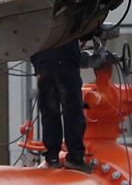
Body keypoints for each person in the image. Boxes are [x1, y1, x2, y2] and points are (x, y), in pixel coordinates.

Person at [29, 38, 89, 171]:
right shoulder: (66, 20)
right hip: (65, 58)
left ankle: (52, 158)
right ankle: (75, 157)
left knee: (50, 110)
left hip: (43, 62)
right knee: (72, 109)